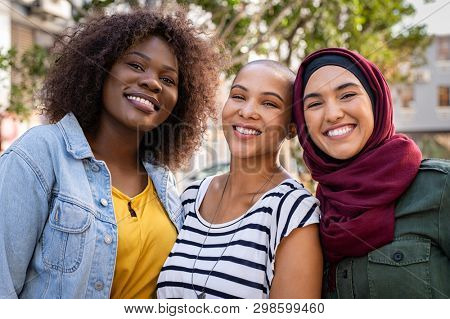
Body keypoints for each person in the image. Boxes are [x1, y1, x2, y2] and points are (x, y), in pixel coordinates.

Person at [0, 9, 224, 299]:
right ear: (100, 67)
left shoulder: (163, 182)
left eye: (168, 80)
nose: (153, 82)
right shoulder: (41, 154)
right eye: (135, 65)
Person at [157, 60, 323, 299]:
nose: (246, 111)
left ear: (292, 128)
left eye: (269, 103)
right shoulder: (191, 197)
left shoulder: (294, 211)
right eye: (238, 96)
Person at [293, 47, 450, 298]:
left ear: (376, 101)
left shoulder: (440, 189)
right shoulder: (309, 216)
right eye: (314, 103)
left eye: (347, 95)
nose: (333, 114)